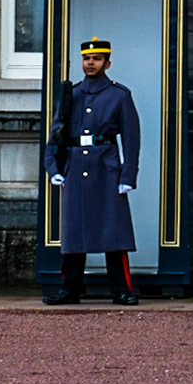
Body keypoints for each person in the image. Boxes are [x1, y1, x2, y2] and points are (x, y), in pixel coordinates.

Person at [43, 37, 143, 307]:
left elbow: (131, 139)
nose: (91, 63)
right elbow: (56, 134)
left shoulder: (119, 95)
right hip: (76, 166)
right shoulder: (71, 94)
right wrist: (53, 167)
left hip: (106, 167)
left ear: (107, 63)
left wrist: (127, 176)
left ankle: (121, 289)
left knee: (114, 232)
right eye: (87, 59)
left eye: (96, 59)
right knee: (74, 233)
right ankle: (70, 288)